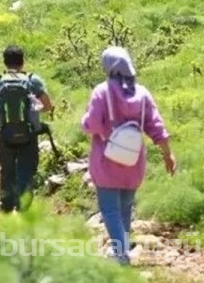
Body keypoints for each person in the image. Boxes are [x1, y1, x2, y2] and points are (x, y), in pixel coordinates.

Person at [81, 46, 176, 265]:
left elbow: (92, 124)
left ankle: (121, 254)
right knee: (124, 208)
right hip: (133, 162)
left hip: (107, 161)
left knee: (109, 209)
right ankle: (119, 251)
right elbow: (157, 127)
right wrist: (167, 155)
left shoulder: (102, 91)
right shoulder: (142, 94)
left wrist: (84, 122)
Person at [0, 46, 54, 213]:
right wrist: (36, 109)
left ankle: (6, 205)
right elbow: (48, 105)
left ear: (5, 61)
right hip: (28, 134)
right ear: (23, 61)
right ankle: (24, 204)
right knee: (26, 169)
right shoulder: (33, 80)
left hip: (5, 134)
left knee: (7, 170)